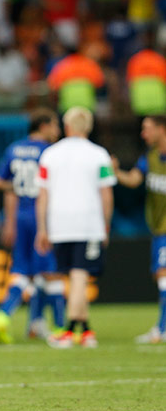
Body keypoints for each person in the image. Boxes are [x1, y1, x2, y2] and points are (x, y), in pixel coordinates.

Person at [36, 107, 115, 349]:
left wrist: (42, 228)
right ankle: (72, 330)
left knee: (73, 275)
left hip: (59, 222)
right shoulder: (99, 154)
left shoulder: (50, 154)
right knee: (80, 274)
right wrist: (106, 224)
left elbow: (42, 195)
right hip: (88, 222)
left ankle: (84, 330)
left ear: (67, 126)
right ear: (88, 127)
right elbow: (106, 193)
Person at [0, 109, 65, 344]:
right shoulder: (51, 152)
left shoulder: (14, 149)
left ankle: (22, 319)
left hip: (21, 215)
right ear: (43, 126)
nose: (57, 131)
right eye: (54, 125)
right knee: (51, 271)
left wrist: (9, 221)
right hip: (43, 216)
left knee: (23, 271)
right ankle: (62, 329)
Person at [112, 115, 166, 343]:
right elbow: (134, 179)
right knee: (160, 276)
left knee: (163, 274)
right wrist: (115, 172)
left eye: (147, 129)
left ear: (161, 129)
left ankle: (162, 329)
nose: (143, 134)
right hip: (158, 228)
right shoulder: (150, 157)